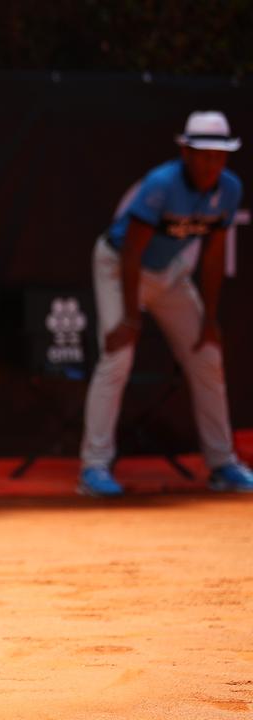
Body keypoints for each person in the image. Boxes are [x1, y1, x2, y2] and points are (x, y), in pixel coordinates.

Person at [78, 110, 253, 497]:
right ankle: (94, 467)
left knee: (207, 354)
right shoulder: (161, 184)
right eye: (203, 154)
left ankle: (222, 464)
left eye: (219, 156)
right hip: (120, 266)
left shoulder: (230, 189)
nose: (212, 163)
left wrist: (210, 319)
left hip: (168, 274)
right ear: (186, 152)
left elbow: (211, 257)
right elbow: (131, 252)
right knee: (118, 356)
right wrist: (129, 318)